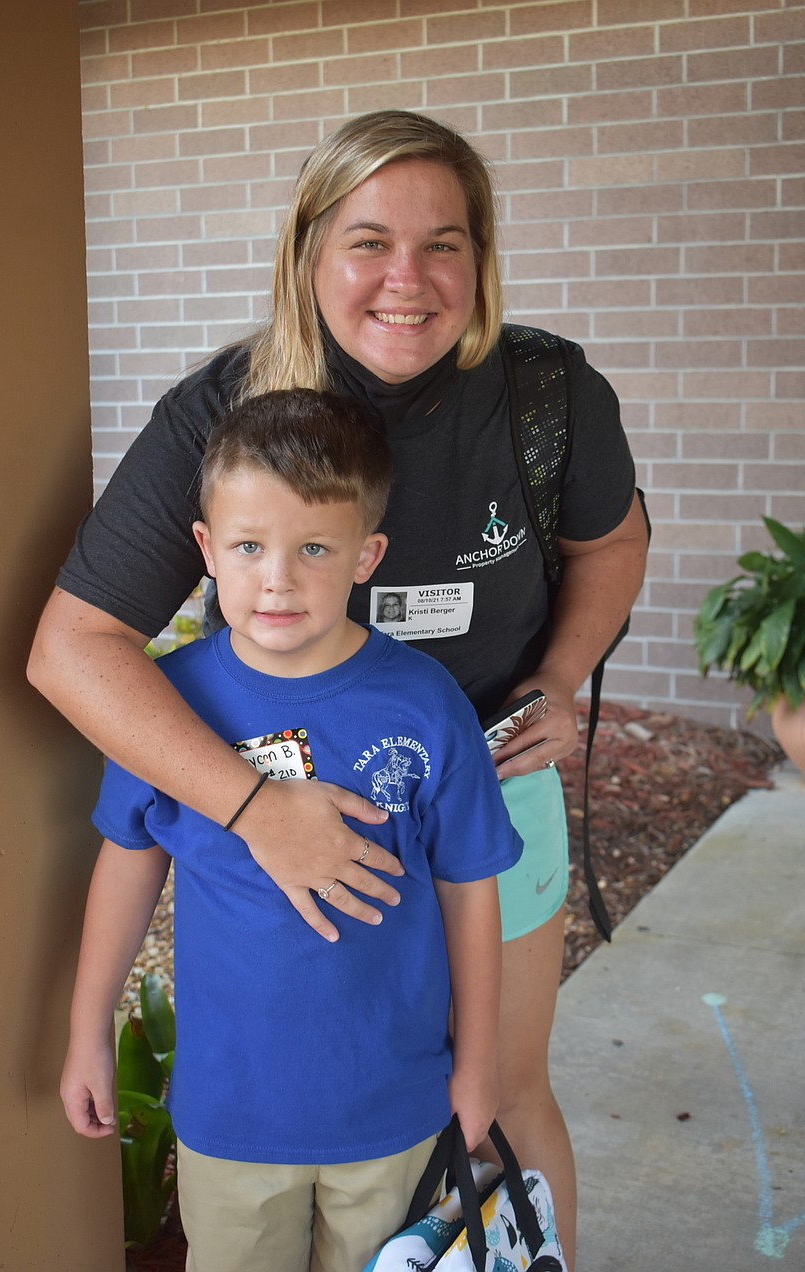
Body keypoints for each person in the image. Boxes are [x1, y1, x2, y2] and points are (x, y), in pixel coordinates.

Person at [30, 108, 649, 1269]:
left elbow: (611, 546)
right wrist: (258, 810)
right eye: (367, 241)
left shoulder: (544, 393)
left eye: (444, 244)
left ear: (481, 256)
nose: (405, 281)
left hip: (476, 783)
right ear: (308, 252)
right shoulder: (224, 412)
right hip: (270, 794)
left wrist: (562, 676)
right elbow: (72, 648)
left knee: (500, 1096)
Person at [59, 389, 522, 1272]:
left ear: (366, 555)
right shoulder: (166, 707)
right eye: (248, 546)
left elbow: (470, 889)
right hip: (232, 1112)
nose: (278, 578)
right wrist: (88, 1028)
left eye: (314, 547)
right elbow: (125, 865)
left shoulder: (427, 705)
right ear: (205, 549)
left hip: (392, 1108)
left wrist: (480, 1066)